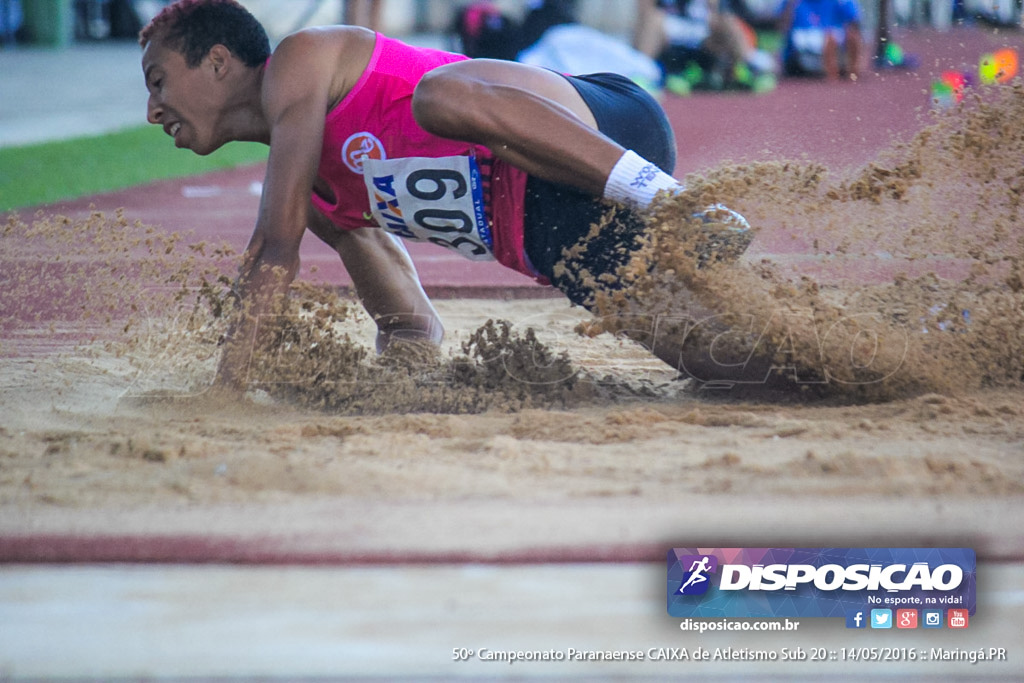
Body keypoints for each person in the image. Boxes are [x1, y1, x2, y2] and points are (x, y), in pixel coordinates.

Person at [139, 0, 753, 392]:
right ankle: (837, 366)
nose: (152, 111)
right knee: (735, 369)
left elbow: (274, 248)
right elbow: (411, 327)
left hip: (599, 131)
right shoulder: (317, 198)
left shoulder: (301, 61)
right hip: (558, 236)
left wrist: (224, 394)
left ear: (219, 62)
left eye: (159, 82)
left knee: (437, 95)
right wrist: (391, 383)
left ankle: (673, 201)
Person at [634, 0, 776, 93]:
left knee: (728, 21)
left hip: (702, 32)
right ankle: (642, 75)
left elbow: (715, 12)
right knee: (653, 19)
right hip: (671, 27)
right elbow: (645, 13)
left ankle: (745, 70)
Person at [780, 0, 863, 80]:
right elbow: (781, 27)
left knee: (847, 37)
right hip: (804, 52)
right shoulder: (792, 2)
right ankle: (832, 74)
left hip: (835, 46)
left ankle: (850, 71)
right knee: (829, 39)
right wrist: (790, 6)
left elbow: (854, 22)